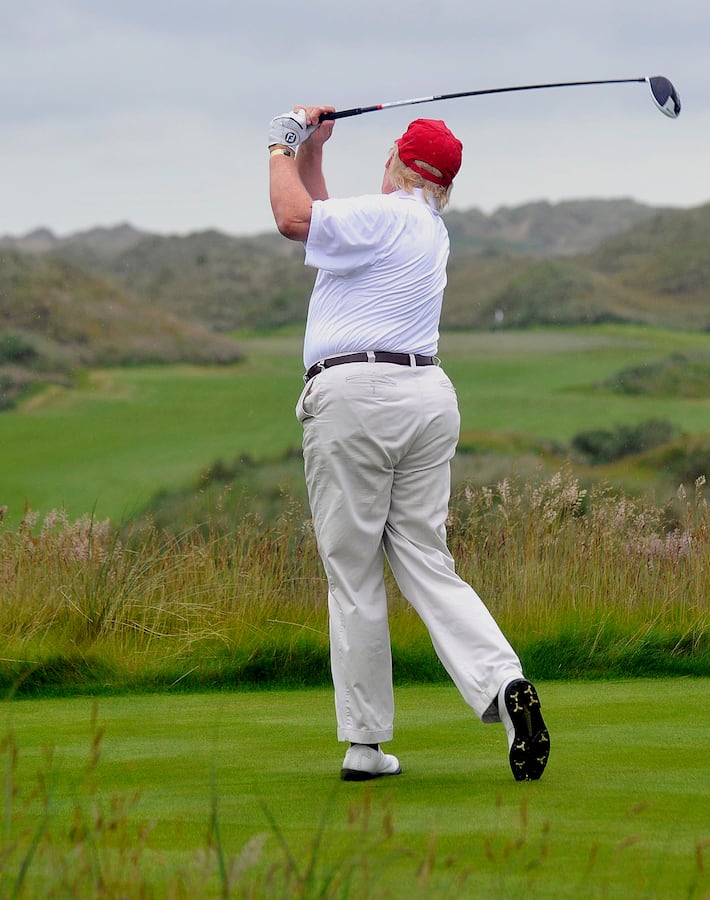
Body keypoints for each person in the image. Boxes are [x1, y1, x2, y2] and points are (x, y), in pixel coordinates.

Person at [266, 106, 551, 782]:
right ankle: (504, 682)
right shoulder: (425, 229)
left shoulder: (384, 215)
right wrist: (314, 151)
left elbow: (293, 218)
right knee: (426, 559)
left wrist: (281, 142)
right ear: (444, 183)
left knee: (354, 572)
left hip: (354, 398)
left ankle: (365, 746)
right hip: (425, 396)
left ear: (396, 162)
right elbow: (328, 223)